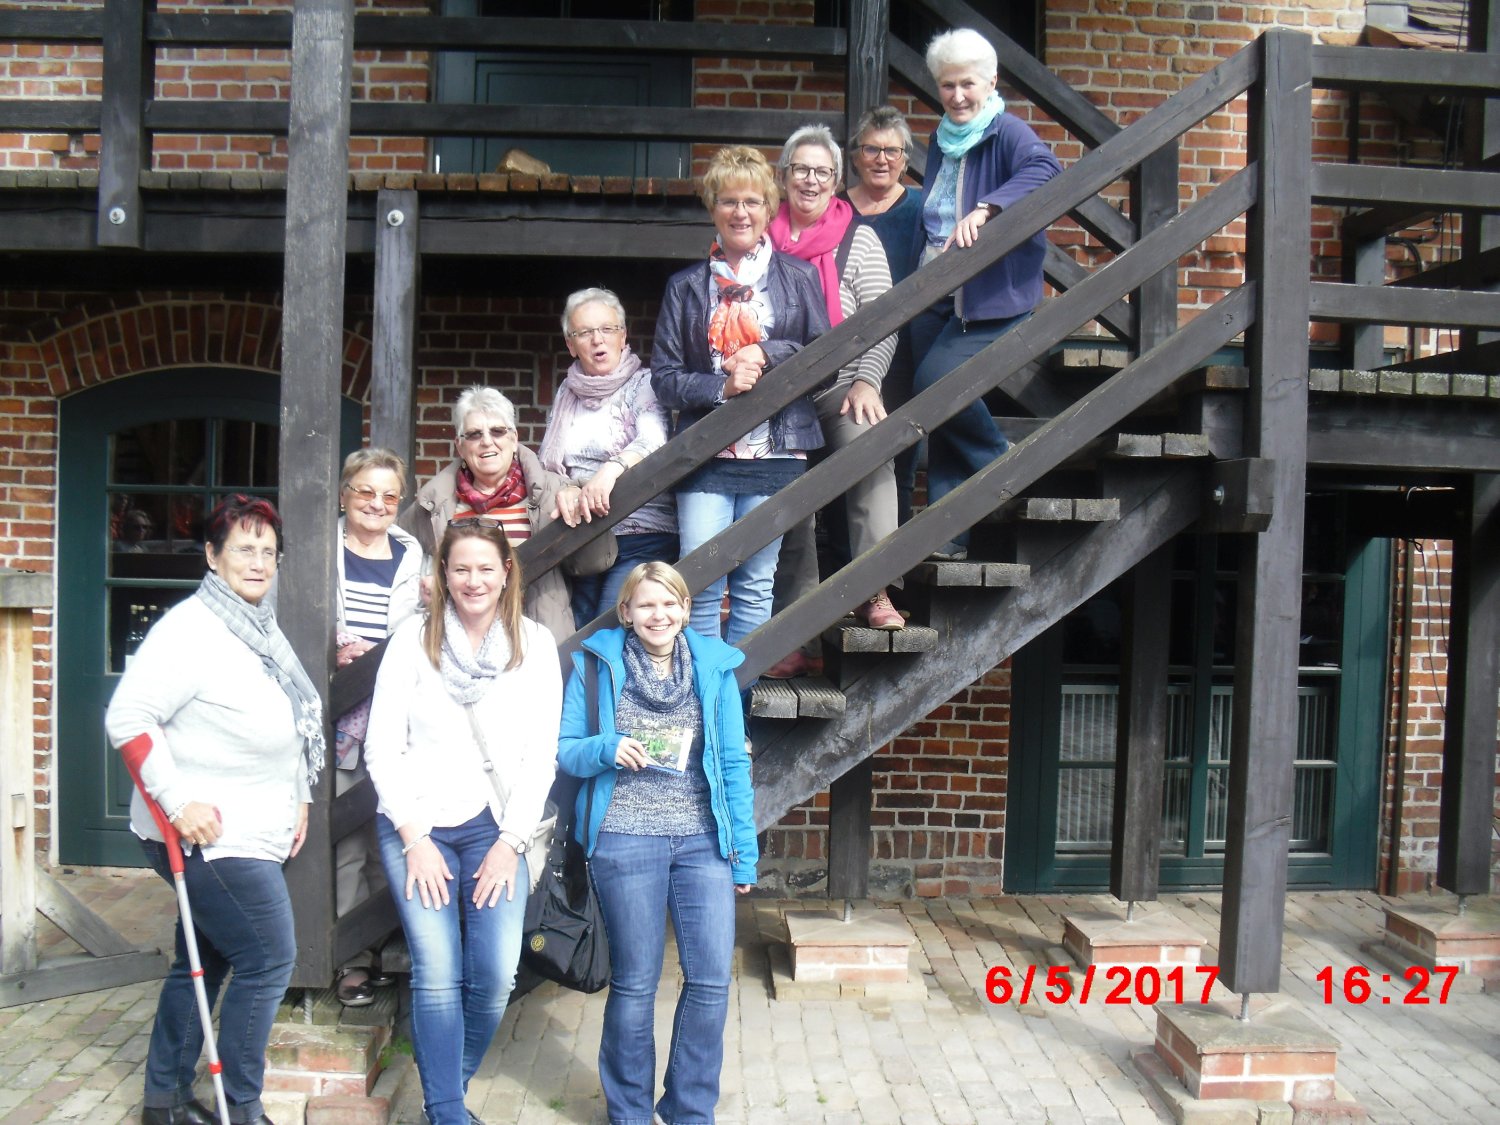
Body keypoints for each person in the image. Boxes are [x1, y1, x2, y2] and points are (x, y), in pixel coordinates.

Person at [106, 495, 321, 1125]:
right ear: (211, 555)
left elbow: (289, 719)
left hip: (254, 825)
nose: (258, 562)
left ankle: (166, 1101)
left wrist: (299, 794)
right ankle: (242, 1108)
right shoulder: (190, 630)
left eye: (268, 552)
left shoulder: (258, 625)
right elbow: (128, 717)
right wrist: (177, 802)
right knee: (269, 956)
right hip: (206, 835)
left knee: (203, 960)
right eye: (244, 549)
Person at [364, 519, 561, 1125]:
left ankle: (446, 1088)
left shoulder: (535, 645)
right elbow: (381, 748)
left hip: (496, 828)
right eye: (461, 569)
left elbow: (540, 757)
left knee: (497, 974)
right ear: (443, 576)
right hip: (417, 825)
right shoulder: (411, 641)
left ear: (506, 572)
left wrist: (510, 843)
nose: (473, 580)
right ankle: (448, 1112)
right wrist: (414, 838)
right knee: (437, 971)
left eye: (485, 568)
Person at [557, 561, 757, 1125]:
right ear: (626, 611)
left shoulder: (715, 669)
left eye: (670, 603)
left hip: (703, 841)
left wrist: (744, 853)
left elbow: (734, 765)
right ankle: (629, 1112)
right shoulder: (596, 665)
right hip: (624, 839)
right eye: (646, 604)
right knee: (635, 984)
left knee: (712, 980)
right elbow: (566, 749)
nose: (658, 614)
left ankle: (690, 1109)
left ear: (686, 609)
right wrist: (606, 747)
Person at [650, 144, 830, 645]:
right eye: (729, 201)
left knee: (754, 585)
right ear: (713, 208)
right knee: (699, 584)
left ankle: (740, 689)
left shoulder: (799, 278)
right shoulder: (685, 288)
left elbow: (825, 362)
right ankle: (707, 690)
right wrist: (721, 386)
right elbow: (664, 378)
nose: (740, 212)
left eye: (752, 201)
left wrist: (766, 352)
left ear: (769, 209)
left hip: (776, 452)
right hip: (704, 455)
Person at [912, 28, 1062, 561]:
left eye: (967, 84)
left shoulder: (1007, 131)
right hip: (935, 290)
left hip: (991, 294)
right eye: (947, 85)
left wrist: (988, 207)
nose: (957, 96)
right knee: (942, 413)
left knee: (936, 387)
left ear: (991, 81)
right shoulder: (941, 138)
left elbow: (1047, 168)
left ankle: (1004, 464)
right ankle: (949, 535)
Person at [763, 123, 905, 679]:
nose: (811, 180)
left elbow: (884, 321)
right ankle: (796, 630)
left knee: (870, 444)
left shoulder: (859, 240)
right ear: (783, 176)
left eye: (823, 172)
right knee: (786, 491)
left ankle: (875, 588)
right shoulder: (761, 237)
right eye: (801, 169)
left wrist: (868, 381)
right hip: (775, 401)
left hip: (840, 389)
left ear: (836, 180)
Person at [330, 447, 423, 1006]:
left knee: (391, 833)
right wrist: (333, 650)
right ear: (344, 494)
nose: (377, 503)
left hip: (395, 717)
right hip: (340, 717)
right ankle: (351, 957)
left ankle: (390, 945)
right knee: (347, 841)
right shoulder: (321, 552)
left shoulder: (412, 555)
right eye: (365, 491)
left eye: (389, 495)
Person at [398, 386, 587, 644]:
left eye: (498, 431)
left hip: (535, 642)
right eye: (474, 434)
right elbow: (393, 551)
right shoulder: (434, 502)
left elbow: (595, 561)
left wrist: (581, 500)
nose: (487, 441)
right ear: (460, 446)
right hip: (458, 644)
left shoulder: (553, 492)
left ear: (513, 438)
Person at [537, 286, 678, 629]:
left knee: (608, 628)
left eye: (607, 329)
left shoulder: (644, 383)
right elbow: (549, 464)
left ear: (623, 335)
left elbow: (654, 439)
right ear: (571, 345)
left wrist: (609, 471)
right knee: (573, 625)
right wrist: (564, 488)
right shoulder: (567, 392)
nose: (597, 340)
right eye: (585, 332)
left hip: (641, 530)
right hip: (583, 536)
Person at [842, 105, 925, 525]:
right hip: (844, 355)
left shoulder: (922, 209)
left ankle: (894, 557)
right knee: (844, 458)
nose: (882, 159)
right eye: (871, 149)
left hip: (905, 348)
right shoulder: (836, 209)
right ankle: (841, 559)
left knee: (899, 452)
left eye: (893, 151)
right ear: (855, 157)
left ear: (905, 160)